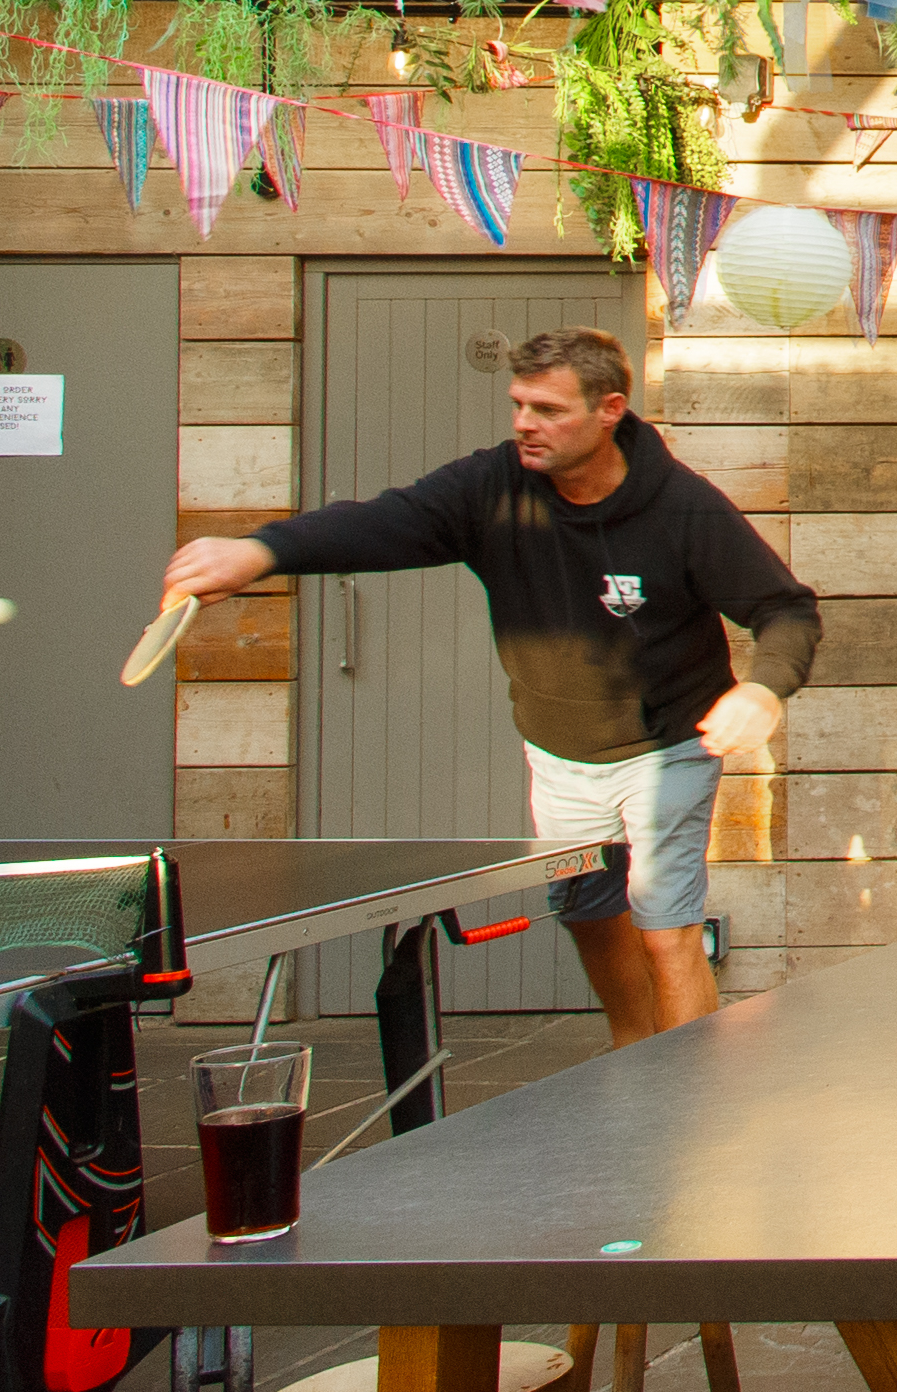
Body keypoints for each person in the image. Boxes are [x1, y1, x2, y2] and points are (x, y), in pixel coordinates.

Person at [157, 327, 816, 1045]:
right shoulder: (492, 488)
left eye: (548, 409)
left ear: (610, 409)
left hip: (669, 747)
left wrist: (763, 688)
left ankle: (693, 1101)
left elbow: (784, 609)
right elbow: (387, 522)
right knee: (593, 920)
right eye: (519, 405)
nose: (527, 424)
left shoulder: (682, 508)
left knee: (666, 928)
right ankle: (636, 1065)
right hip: (560, 750)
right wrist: (259, 552)